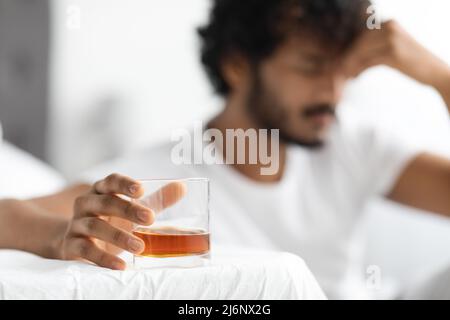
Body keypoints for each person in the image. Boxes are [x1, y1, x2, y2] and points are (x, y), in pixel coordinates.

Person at [1, 0, 449, 298]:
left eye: (345, 70)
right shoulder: (166, 173)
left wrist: (437, 75)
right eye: (312, 67)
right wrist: (57, 235)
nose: (333, 92)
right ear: (237, 66)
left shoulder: (351, 141)